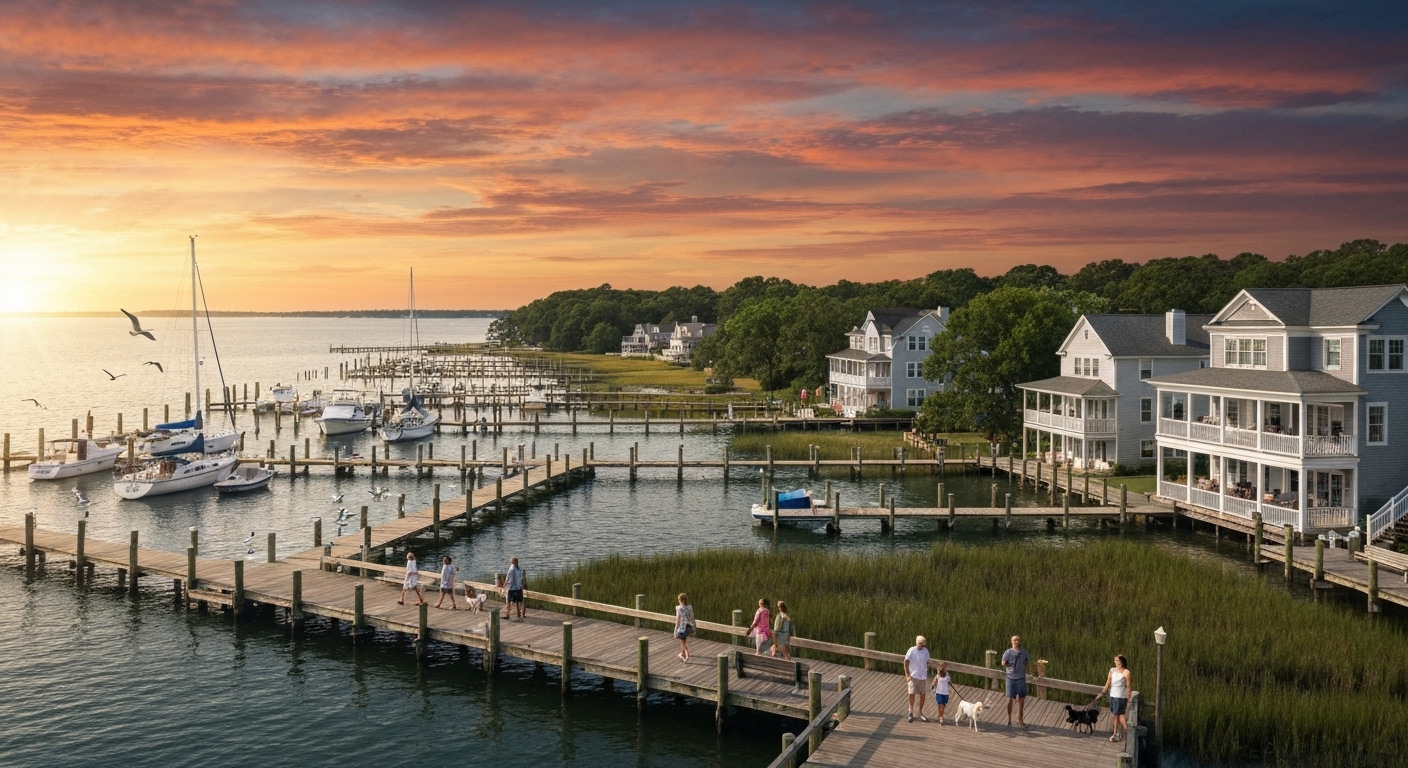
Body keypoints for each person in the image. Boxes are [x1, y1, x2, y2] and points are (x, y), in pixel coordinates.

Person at [1094, 654, 1133, 743]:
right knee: (1115, 715)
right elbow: (1108, 683)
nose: (1116, 662)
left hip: (1121, 696)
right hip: (1113, 695)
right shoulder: (1112, 670)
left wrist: (1129, 696)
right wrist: (1102, 693)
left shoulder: (1126, 672)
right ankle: (1117, 733)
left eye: (1118, 660)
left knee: (1121, 715)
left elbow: (1128, 686)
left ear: (1122, 662)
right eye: (1115, 660)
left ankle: (1126, 732)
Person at [1001, 635, 1031, 727]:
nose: (1016, 641)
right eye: (1014, 640)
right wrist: (1006, 664)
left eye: (1018, 640)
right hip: (1010, 678)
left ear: (1020, 641)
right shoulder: (1008, 652)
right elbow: (1003, 662)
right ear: (1011, 641)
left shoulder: (1024, 652)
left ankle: (1020, 719)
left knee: (1021, 699)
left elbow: (1027, 661)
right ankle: (1009, 719)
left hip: (1021, 678)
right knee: (1009, 699)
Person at [904, 635, 931, 723]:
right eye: (920, 644)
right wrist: (907, 674)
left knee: (922, 694)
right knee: (911, 693)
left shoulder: (926, 651)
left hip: (922, 676)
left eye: (923, 644)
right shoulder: (911, 650)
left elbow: (927, 661)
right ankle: (910, 711)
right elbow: (906, 662)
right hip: (913, 675)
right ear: (916, 643)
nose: (922, 646)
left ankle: (920, 712)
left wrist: (926, 669)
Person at [674, 593, 696, 662]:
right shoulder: (690, 607)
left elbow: (678, 620)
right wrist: (694, 627)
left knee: (682, 642)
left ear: (680, 600)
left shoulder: (678, 608)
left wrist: (675, 630)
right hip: (688, 627)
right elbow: (692, 618)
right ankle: (682, 652)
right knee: (684, 640)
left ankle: (686, 656)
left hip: (682, 628)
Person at [932, 661, 952, 725]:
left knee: (943, 706)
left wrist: (950, 683)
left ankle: (940, 715)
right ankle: (941, 717)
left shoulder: (947, 676)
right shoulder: (938, 676)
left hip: (945, 693)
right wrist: (933, 684)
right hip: (939, 692)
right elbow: (934, 681)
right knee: (940, 705)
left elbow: (949, 682)